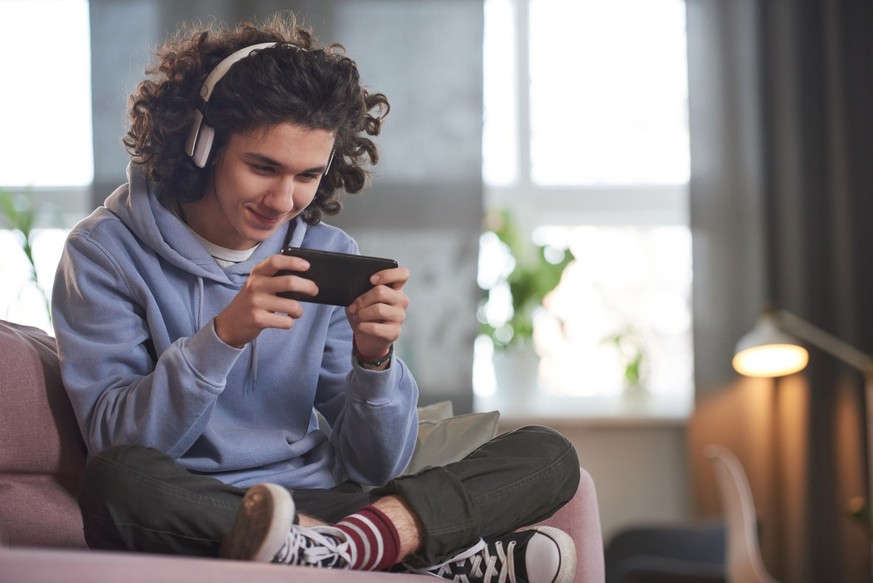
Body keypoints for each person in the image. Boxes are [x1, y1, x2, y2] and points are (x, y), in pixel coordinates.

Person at [51, 11, 581, 582]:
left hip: (326, 506)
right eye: (262, 167)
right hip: (202, 508)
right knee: (115, 480)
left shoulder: (324, 252)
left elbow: (373, 464)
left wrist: (374, 363)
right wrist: (222, 338)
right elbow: (117, 439)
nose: (283, 200)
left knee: (550, 455)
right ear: (199, 145)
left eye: (307, 175)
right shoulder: (104, 253)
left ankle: (339, 549)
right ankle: (410, 548)